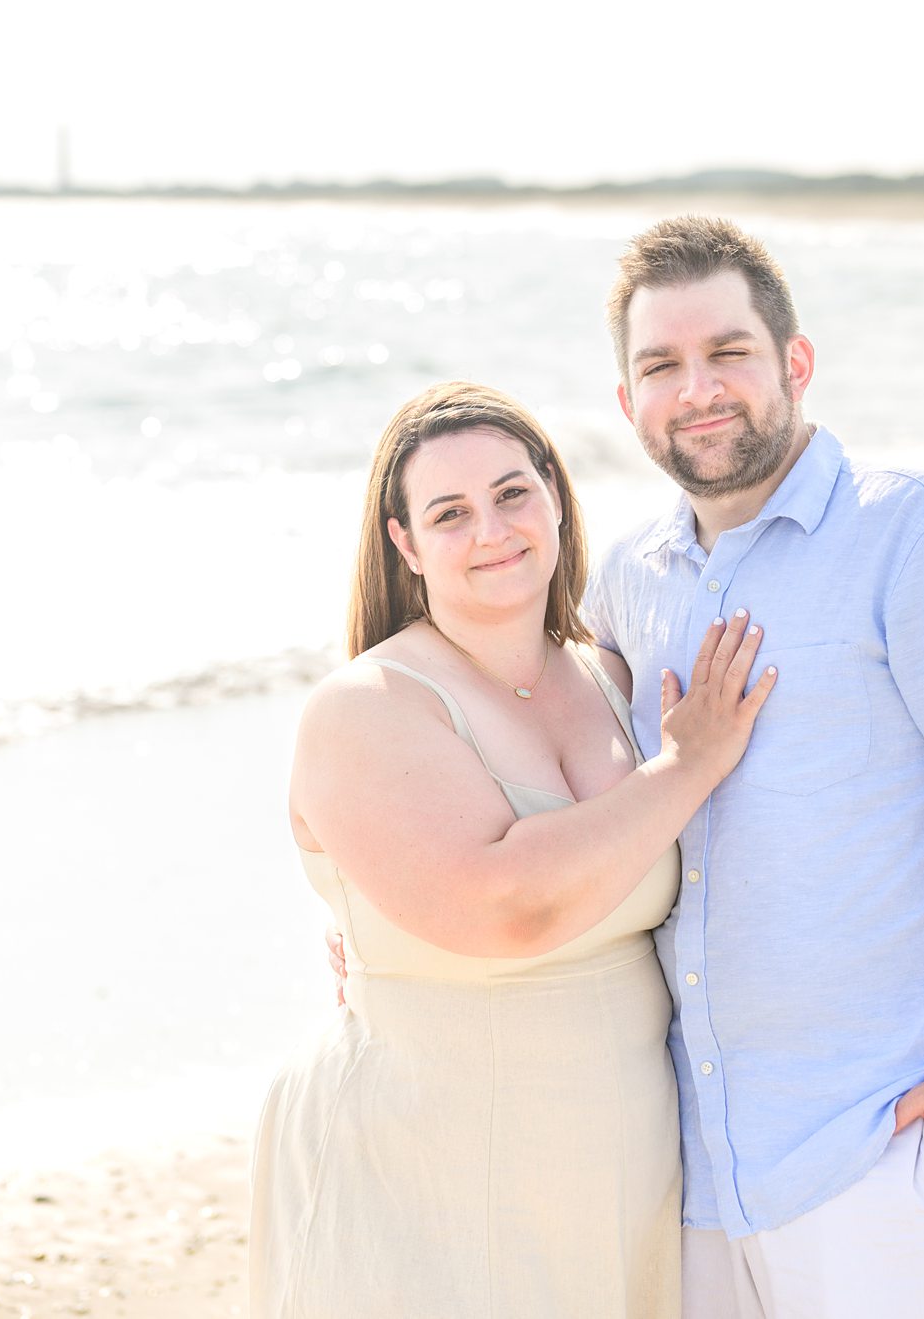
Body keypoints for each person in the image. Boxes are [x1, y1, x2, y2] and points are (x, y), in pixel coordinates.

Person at [588, 215, 924, 1318]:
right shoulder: (629, 578)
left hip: (875, 1141)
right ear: (627, 403)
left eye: (729, 353)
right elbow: (548, 751)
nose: (698, 388)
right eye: (661, 365)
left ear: (796, 363)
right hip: (696, 1167)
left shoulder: (917, 533)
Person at [250, 381, 778, 1319]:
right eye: (449, 512)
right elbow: (507, 906)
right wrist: (686, 767)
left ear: (557, 500)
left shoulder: (611, 676)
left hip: (614, 1165)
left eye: (511, 493)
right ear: (405, 543)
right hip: (422, 1164)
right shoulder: (365, 707)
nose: (491, 528)